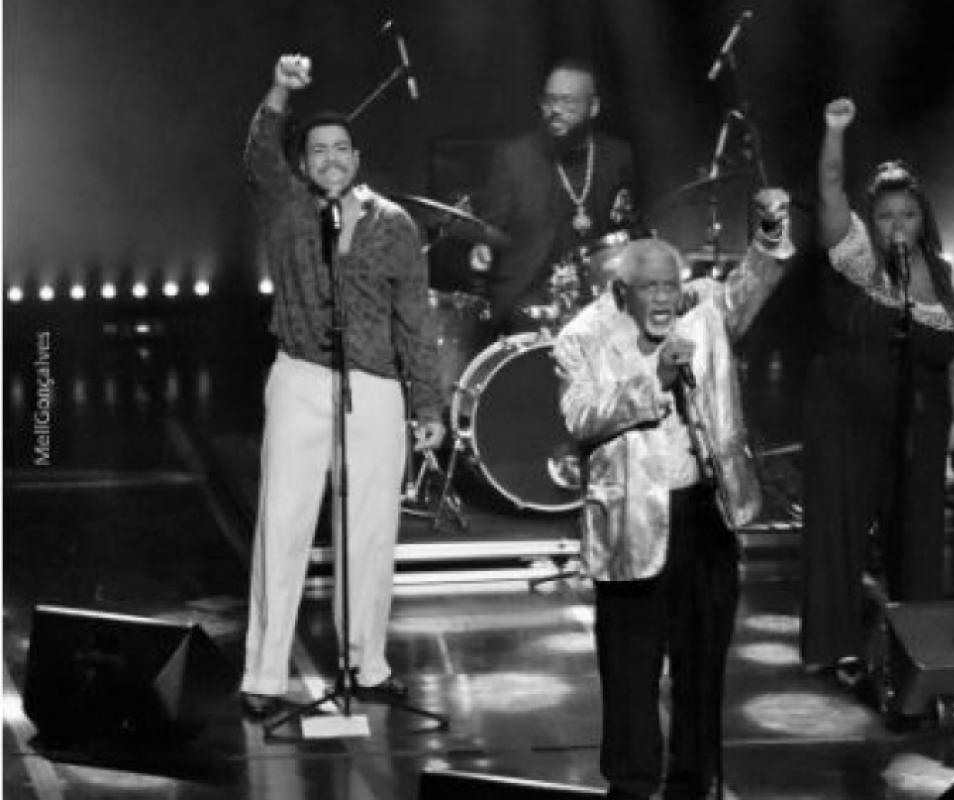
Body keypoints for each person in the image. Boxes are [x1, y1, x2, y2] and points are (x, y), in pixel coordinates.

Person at [553, 190, 795, 800]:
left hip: (703, 515)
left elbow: (750, 287)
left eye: (671, 285)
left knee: (703, 666)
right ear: (621, 292)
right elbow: (581, 416)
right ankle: (632, 784)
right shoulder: (582, 337)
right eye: (650, 288)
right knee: (630, 669)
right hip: (631, 523)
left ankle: (694, 782)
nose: (663, 298)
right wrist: (652, 380)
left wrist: (769, 232)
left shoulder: (703, 315)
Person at [239, 53, 446, 719]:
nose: (330, 159)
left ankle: (366, 663)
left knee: (371, 531)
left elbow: (414, 319)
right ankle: (264, 676)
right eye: (317, 150)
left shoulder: (393, 224)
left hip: (375, 387)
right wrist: (280, 89)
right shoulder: (286, 206)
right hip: (301, 377)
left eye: (340, 149)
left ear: (357, 158)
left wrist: (428, 402)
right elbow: (258, 155)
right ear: (303, 164)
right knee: (283, 525)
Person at [800, 97, 954, 681]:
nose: (897, 225)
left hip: (920, 424)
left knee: (919, 536)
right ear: (870, 221)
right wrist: (835, 132)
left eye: (908, 214)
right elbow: (829, 188)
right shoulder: (855, 257)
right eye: (885, 216)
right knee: (839, 529)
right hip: (845, 416)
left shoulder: (946, 276)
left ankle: (917, 642)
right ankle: (835, 645)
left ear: (924, 218)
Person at [471, 57, 640, 333]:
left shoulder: (617, 156)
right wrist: (483, 246)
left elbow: (629, 230)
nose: (555, 110)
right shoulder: (515, 158)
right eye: (549, 101)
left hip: (600, 292)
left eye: (567, 102)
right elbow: (489, 229)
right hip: (532, 296)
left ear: (593, 107)